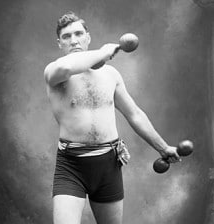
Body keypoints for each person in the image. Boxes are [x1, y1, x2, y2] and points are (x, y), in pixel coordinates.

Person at [44, 11, 180, 224]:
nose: (74, 40)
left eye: (79, 33)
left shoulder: (111, 75)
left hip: (108, 165)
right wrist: (104, 52)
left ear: (87, 37)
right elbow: (67, 66)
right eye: (67, 36)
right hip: (71, 166)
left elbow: (134, 114)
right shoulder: (55, 72)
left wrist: (163, 148)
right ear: (59, 43)